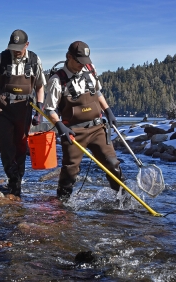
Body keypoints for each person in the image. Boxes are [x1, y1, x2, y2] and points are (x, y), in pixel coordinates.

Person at [44, 41, 123, 202]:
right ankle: (62, 204)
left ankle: (122, 200)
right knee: (70, 172)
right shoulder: (57, 80)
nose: (82, 65)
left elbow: (98, 93)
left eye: (84, 61)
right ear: (68, 57)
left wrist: (108, 111)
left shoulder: (90, 69)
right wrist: (60, 126)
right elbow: (49, 109)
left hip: (97, 128)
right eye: (79, 61)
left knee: (113, 164)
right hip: (73, 132)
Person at [0, 29, 46, 198]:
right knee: (5, 145)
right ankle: (12, 177)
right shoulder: (0, 59)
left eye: (20, 47)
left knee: (21, 147)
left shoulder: (34, 60)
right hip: (3, 108)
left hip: (24, 109)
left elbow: (40, 86)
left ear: (27, 44)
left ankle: (16, 181)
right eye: (13, 47)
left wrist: (39, 108)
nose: (16, 50)